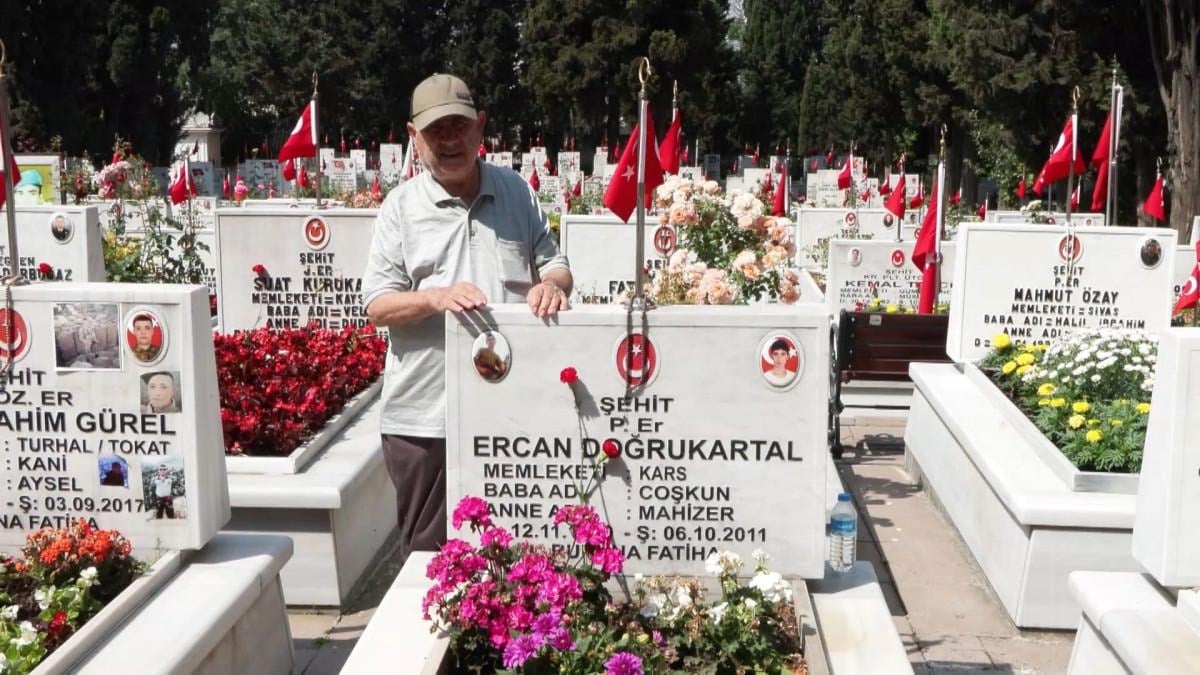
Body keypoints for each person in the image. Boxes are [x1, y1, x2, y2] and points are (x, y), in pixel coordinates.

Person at [362, 73, 572, 560]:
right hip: (425, 419)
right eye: (436, 130)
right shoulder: (400, 209)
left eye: (459, 125)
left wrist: (552, 286)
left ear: (480, 126)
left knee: (519, 556)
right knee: (429, 561)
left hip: (513, 410)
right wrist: (436, 298)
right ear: (414, 137)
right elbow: (377, 305)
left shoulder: (516, 192)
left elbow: (555, 264)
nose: (450, 140)